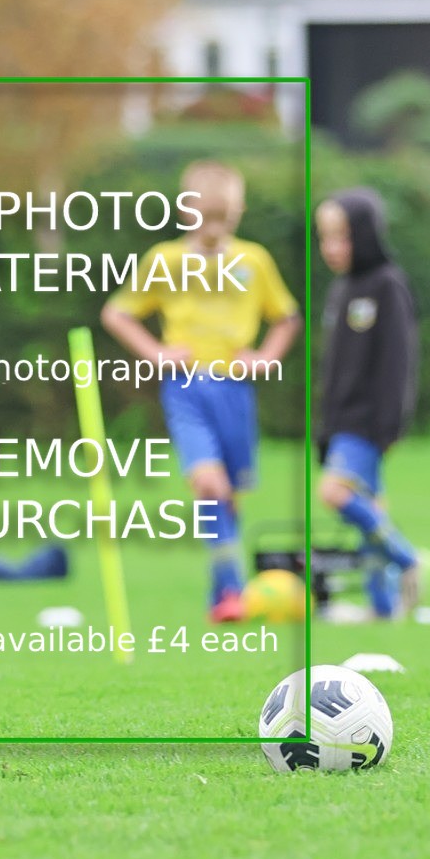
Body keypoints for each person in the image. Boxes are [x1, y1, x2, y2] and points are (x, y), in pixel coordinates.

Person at [101, 161, 301, 622]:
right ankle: (233, 589)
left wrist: (266, 358)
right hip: (186, 388)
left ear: (240, 212)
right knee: (208, 485)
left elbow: (286, 317)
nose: (213, 228)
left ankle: (222, 596)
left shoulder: (254, 261)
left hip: (235, 390)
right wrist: (155, 353)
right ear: (185, 210)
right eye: (205, 216)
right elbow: (118, 313)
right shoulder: (164, 260)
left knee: (230, 495)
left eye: (224, 218)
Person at [315, 188, 419, 618]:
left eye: (341, 236)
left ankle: (406, 559)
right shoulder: (341, 290)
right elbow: (335, 369)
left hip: (367, 422)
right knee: (371, 505)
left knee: (334, 493)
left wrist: (389, 424)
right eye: (325, 238)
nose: (331, 248)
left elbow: (398, 362)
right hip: (339, 421)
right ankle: (383, 605)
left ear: (364, 234)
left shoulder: (386, 285)